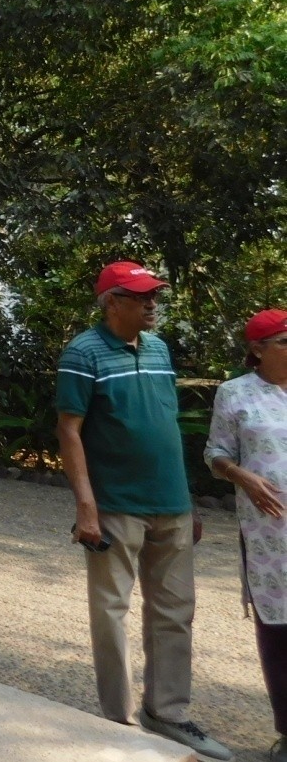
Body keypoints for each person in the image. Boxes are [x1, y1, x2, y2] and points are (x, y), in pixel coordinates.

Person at [56, 260, 230, 761]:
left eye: (155, 294)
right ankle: (120, 719)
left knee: (176, 612)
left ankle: (168, 712)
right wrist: (86, 508)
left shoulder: (159, 349)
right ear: (112, 301)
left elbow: (166, 427)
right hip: (115, 506)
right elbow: (69, 431)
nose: (153, 303)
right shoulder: (82, 352)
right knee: (112, 611)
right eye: (141, 295)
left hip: (171, 504)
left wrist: (189, 501)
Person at [205, 309, 287, 762]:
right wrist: (244, 477)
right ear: (258, 349)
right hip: (269, 533)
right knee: (279, 628)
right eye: (284, 342)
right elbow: (215, 452)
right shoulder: (235, 394)